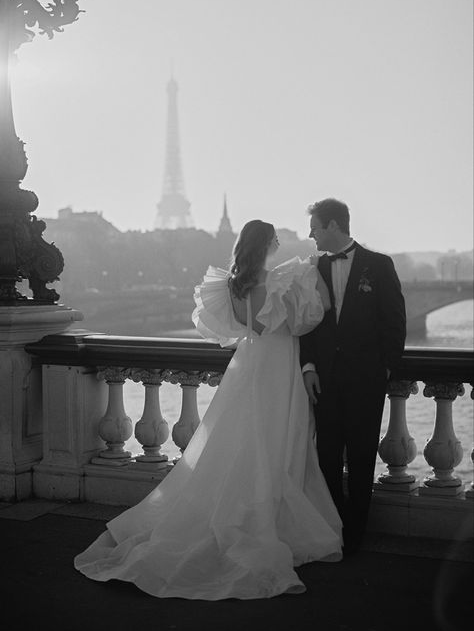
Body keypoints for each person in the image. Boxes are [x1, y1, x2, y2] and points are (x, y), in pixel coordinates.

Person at [74, 219, 343, 600]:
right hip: (280, 365)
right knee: (282, 439)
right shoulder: (283, 280)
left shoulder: (233, 285)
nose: (281, 242)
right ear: (267, 243)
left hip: (248, 365)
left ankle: (241, 510)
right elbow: (310, 319)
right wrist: (312, 278)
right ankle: (270, 515)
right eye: (276, 239)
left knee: (240, 442)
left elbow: (235, 330)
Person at [300, 199, 406, 555]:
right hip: (325, 379)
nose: (310, 233)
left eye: (314, 226)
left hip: (366, 380)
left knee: (362, 460)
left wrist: (384, 369)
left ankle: (356, 536)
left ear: (332, 225)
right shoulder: (313, 268)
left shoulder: (379, 265)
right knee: (326, 457)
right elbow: (308, 326)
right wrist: (310, 368)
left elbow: (395, 321)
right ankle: (334, 529)